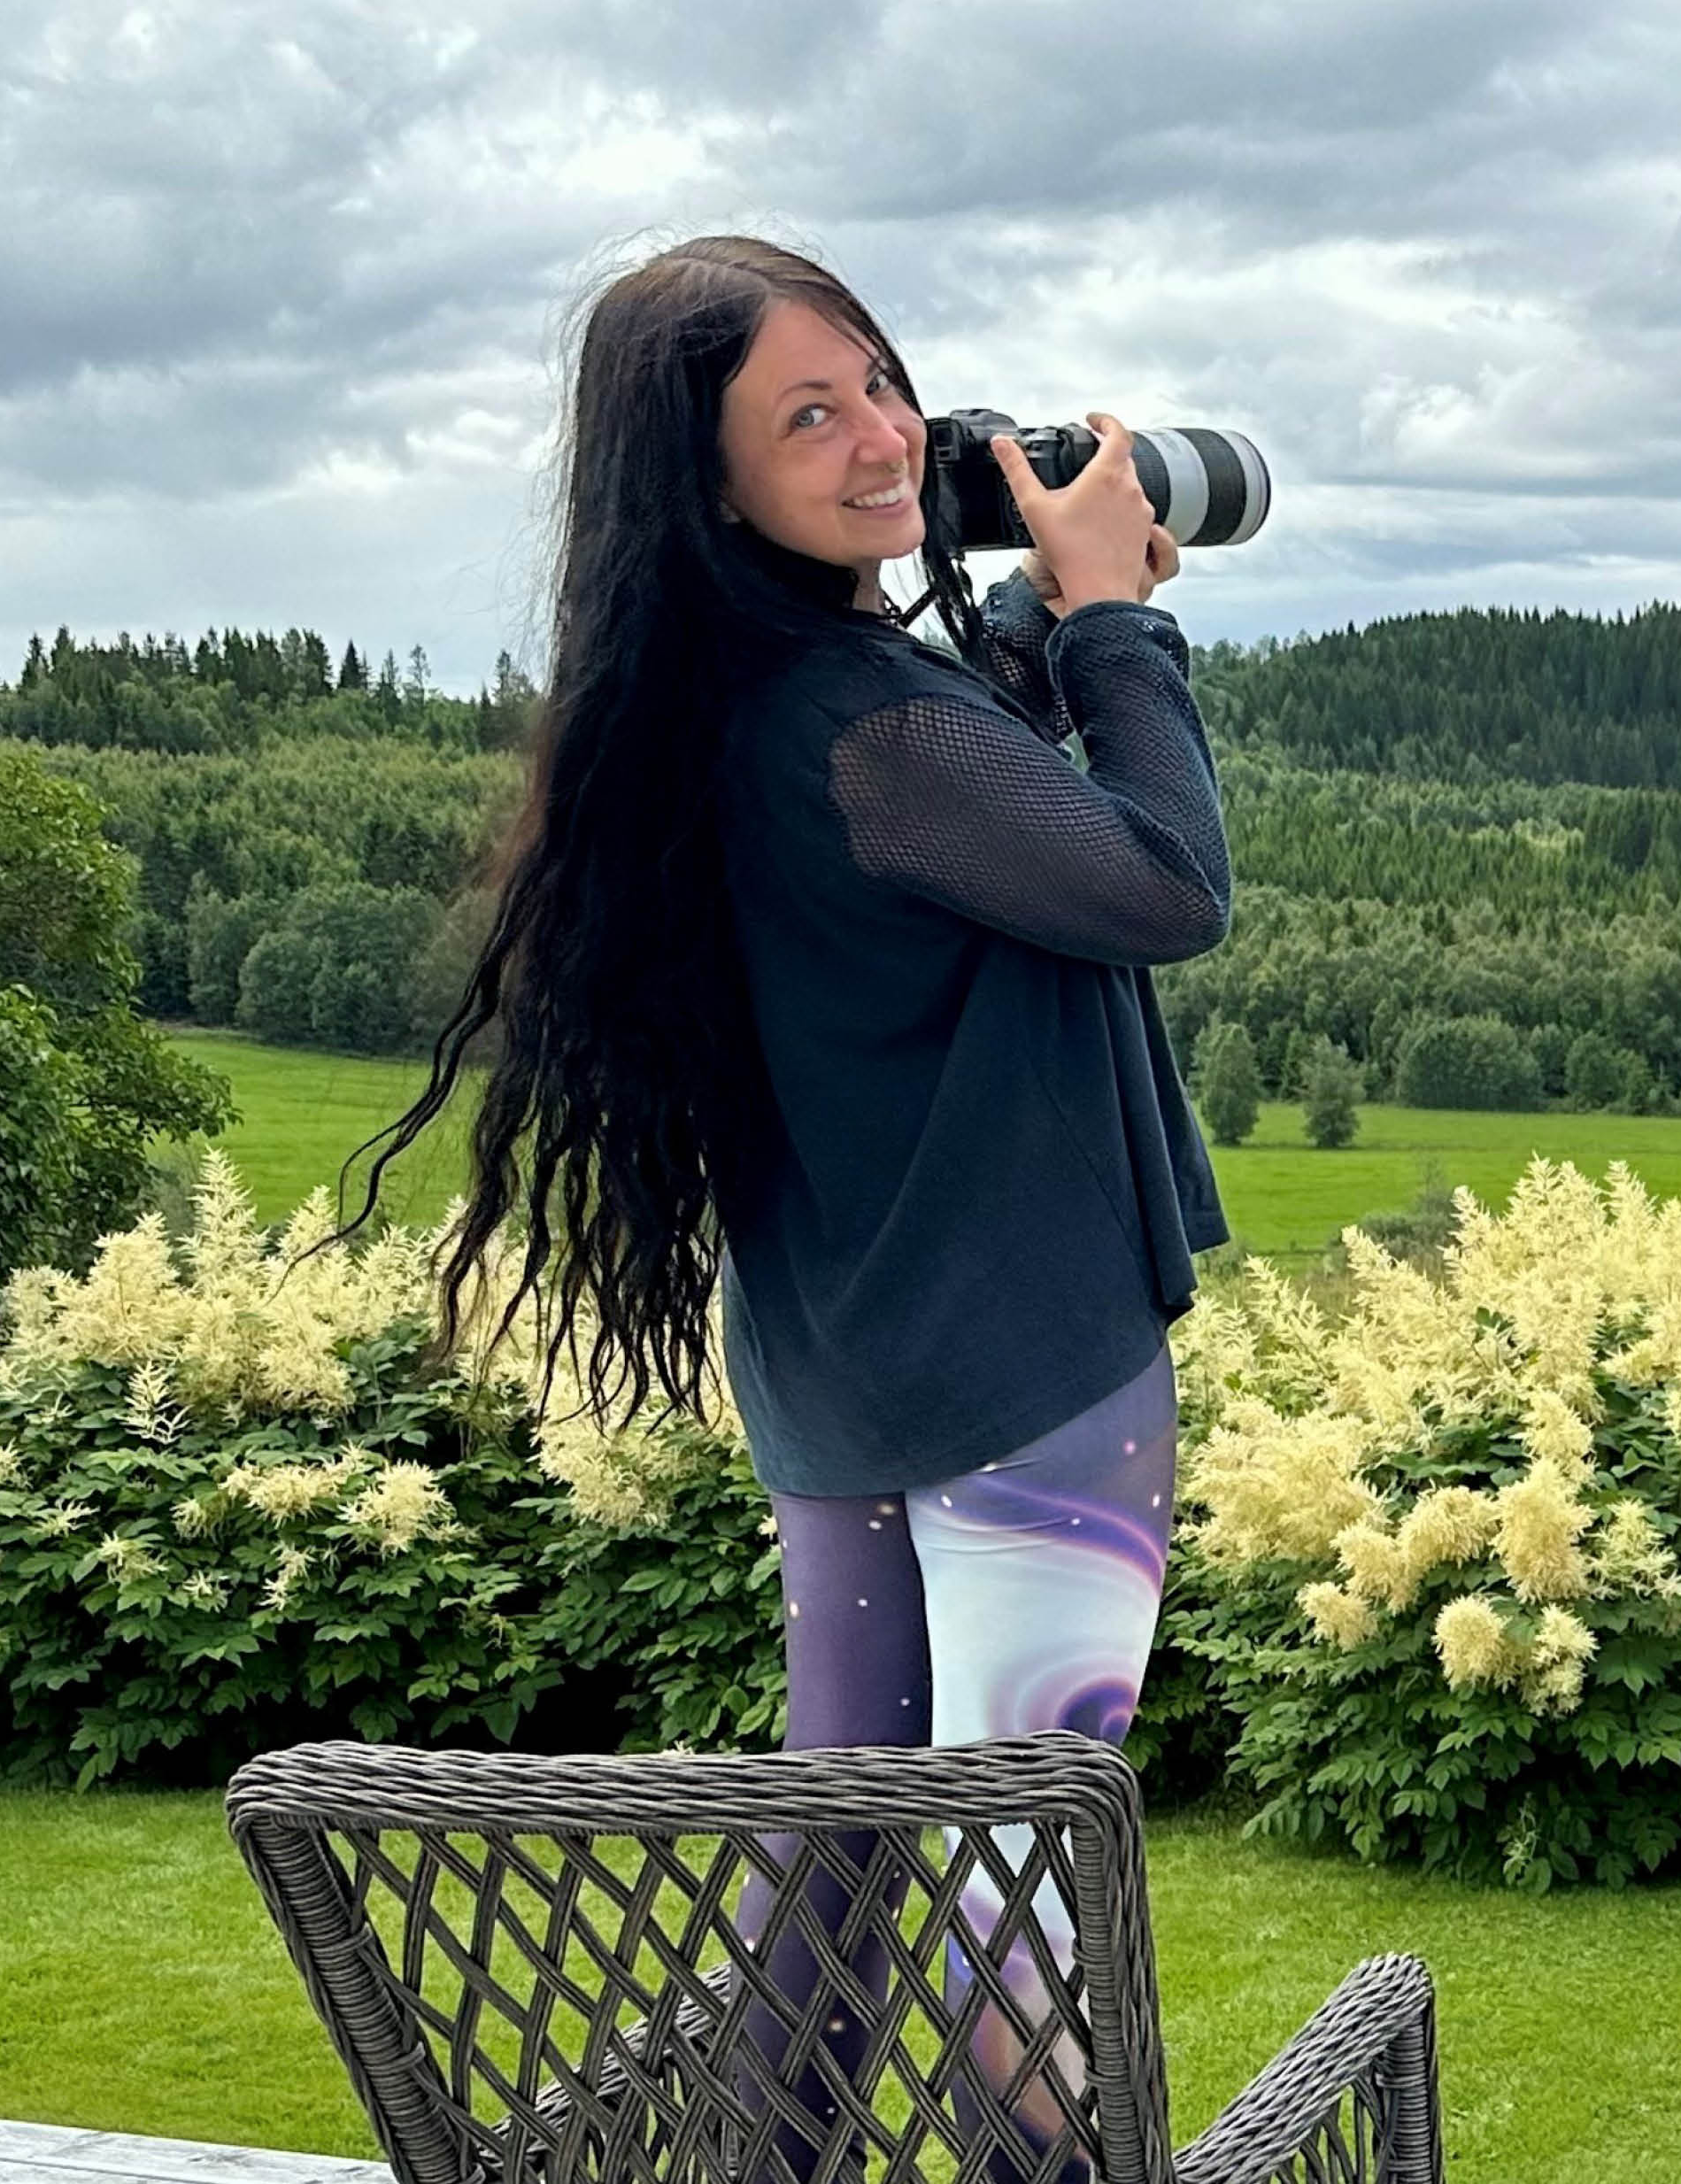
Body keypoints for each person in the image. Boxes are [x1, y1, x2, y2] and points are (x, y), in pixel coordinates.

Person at [326, 233, 1235, 2173]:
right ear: (706, 472)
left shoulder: (748, 700)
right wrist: (1110, 622)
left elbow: (949, 795)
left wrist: (1024, 623)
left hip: (839, 1375)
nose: (879, 435)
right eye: (803, 413)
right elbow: (1160, 880)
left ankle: (770, 2158)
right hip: (1029, 1375)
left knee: (843, 1838)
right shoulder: (852, 720)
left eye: (882, 383)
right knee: (1024, 1893)